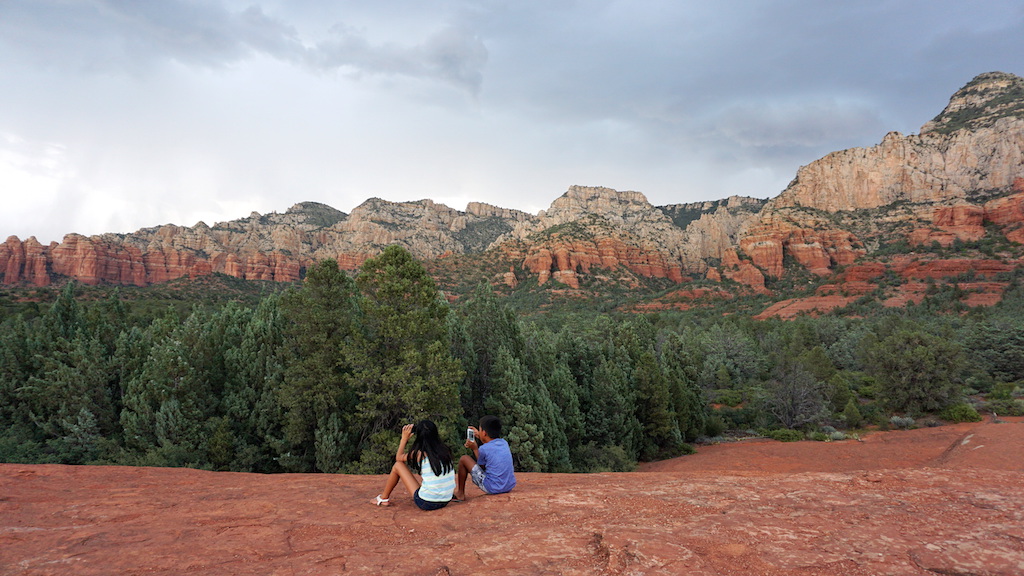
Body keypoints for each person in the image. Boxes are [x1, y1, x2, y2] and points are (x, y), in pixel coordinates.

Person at [373, 420, 455, 510]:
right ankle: (384, 498)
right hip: (446, 500)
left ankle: (383, 498)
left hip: (427, 502)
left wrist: (404, 439)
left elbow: (399, 458)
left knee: (398, 465)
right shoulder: (445, 450)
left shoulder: (420, 454)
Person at [455, 415, 516, 501]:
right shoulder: (504, 443)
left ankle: (460, 493)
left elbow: (481, 467)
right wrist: (479, 435)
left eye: (479, 430)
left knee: (464, 459)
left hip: (493, 487)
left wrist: (475, 449)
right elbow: (489, 442)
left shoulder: (483, 449)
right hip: (508, 486)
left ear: (484, 433)